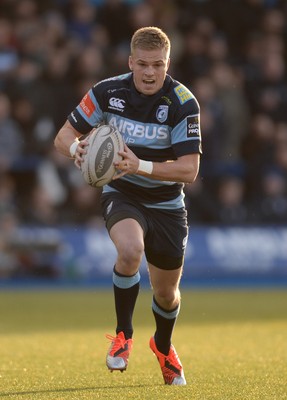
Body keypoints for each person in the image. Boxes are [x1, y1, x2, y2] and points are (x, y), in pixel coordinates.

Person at [54, 26, 201, 386]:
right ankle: (124, 336)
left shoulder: (183, 102)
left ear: (168, 64)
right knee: (131, 250)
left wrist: (142, 165)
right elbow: (63, 137)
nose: (151, 73)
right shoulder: (107, 92)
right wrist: (79, 152)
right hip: (123, 194)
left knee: (166, 294)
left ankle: (163, 346)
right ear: (130, 62)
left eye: (159, 65)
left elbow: (190, 169)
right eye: (144, 65)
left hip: (167, 204)